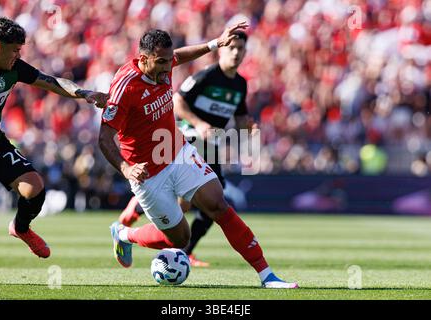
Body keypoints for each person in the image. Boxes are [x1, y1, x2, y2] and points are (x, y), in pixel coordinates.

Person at [100, 22, 298, 288]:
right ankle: (124, 234)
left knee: (218, 204)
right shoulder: (125, 87)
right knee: (180, 239)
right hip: (146, 172)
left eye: (169, 62)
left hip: (178, 151)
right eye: (161, 62)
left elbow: (179, 56)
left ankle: (267, 276)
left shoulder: (166, 64)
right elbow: (104, 139)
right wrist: (126, 169)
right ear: (143, 59)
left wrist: (214, 43)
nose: (167, 67)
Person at [117, 30, 256, 268]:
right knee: (202, 200)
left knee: (210, 200)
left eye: (240, 49)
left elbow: (241, 117)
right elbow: (178, 100)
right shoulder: (207, 76)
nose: (235, 53)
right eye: (231, 48)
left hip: (212, 144)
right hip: (188, 139)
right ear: (222, 49)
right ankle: (151, 220)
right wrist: (200, 124)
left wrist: (250, 127)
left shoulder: (241, 84)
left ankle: (182, 246)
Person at [0, 17, 108, 258]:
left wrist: (84, 93)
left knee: (35, 188)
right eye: (15, 51)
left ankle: (20, 228)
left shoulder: (13, 68)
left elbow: (51, 82)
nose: (18, 56)